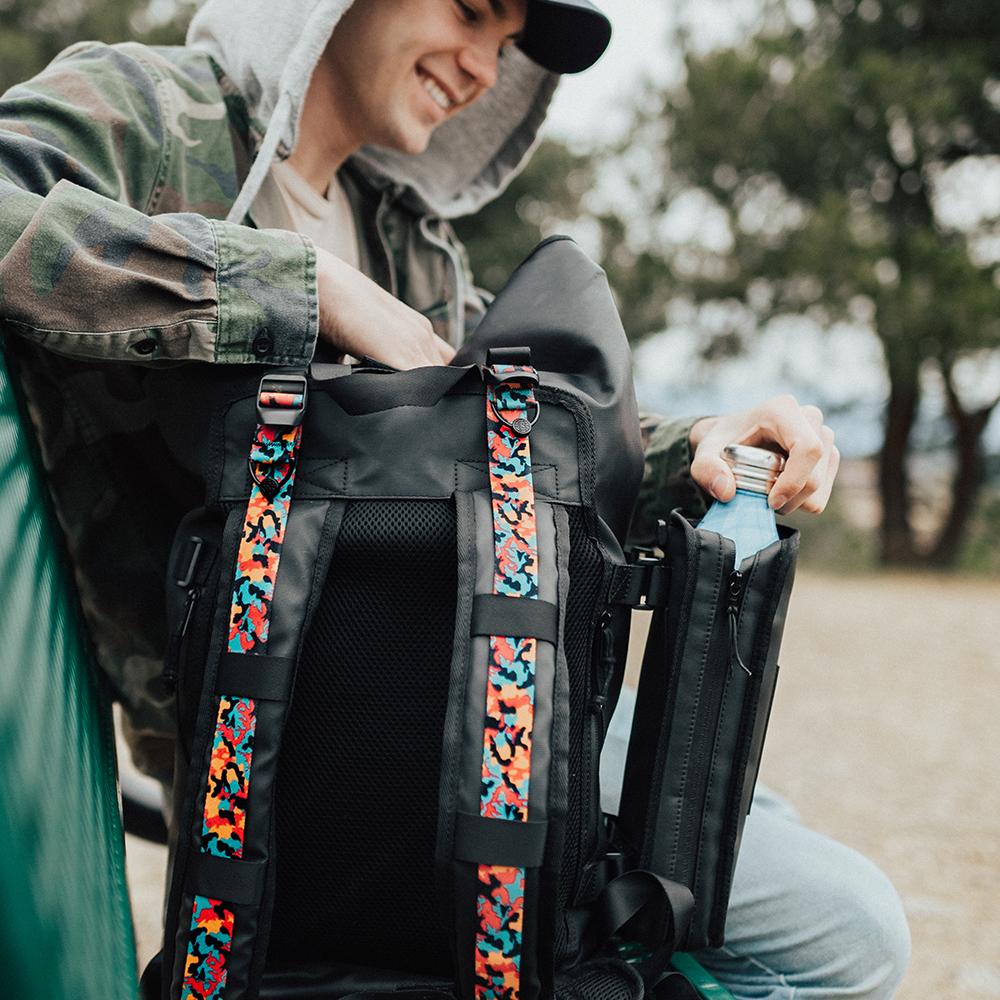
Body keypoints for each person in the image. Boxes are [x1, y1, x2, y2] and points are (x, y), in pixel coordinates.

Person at [0, 0, 909, 996]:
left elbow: (521, 452)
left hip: (507, 681)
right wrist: (299, 291)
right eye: (471, 11)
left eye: (507, 44)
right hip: (336, 744)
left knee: (744, 841)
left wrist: (698, 447)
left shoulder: (410, 245)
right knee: (844, 935)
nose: (484, 65)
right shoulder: (147, 112)